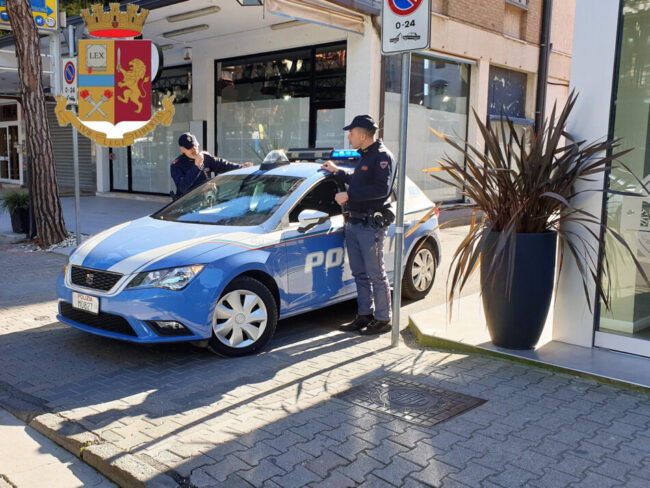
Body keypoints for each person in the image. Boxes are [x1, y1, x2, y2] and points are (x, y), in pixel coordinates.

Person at [321, 115, 396, 335]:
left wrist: (349, 196)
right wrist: (338, 172)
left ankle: (383, 319)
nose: (349, 136)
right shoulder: (364, 156)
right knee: (359, 274)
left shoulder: (383, 156)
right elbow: (360, 178)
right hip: (354, 223)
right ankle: (365, 315)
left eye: (351, 133)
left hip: (370, 224)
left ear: (363, 135)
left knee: (375, 273)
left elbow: (381, 190)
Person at [170, 132, 252, 198]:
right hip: (187, 203)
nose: (194, 149)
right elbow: (182, 187)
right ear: (182, 149)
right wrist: (197, 167)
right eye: (190, 147)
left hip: (206, 199)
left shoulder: (205, 157)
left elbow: (223, 165)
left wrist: (241, 167)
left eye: (195, 146)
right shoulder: (177, 165)